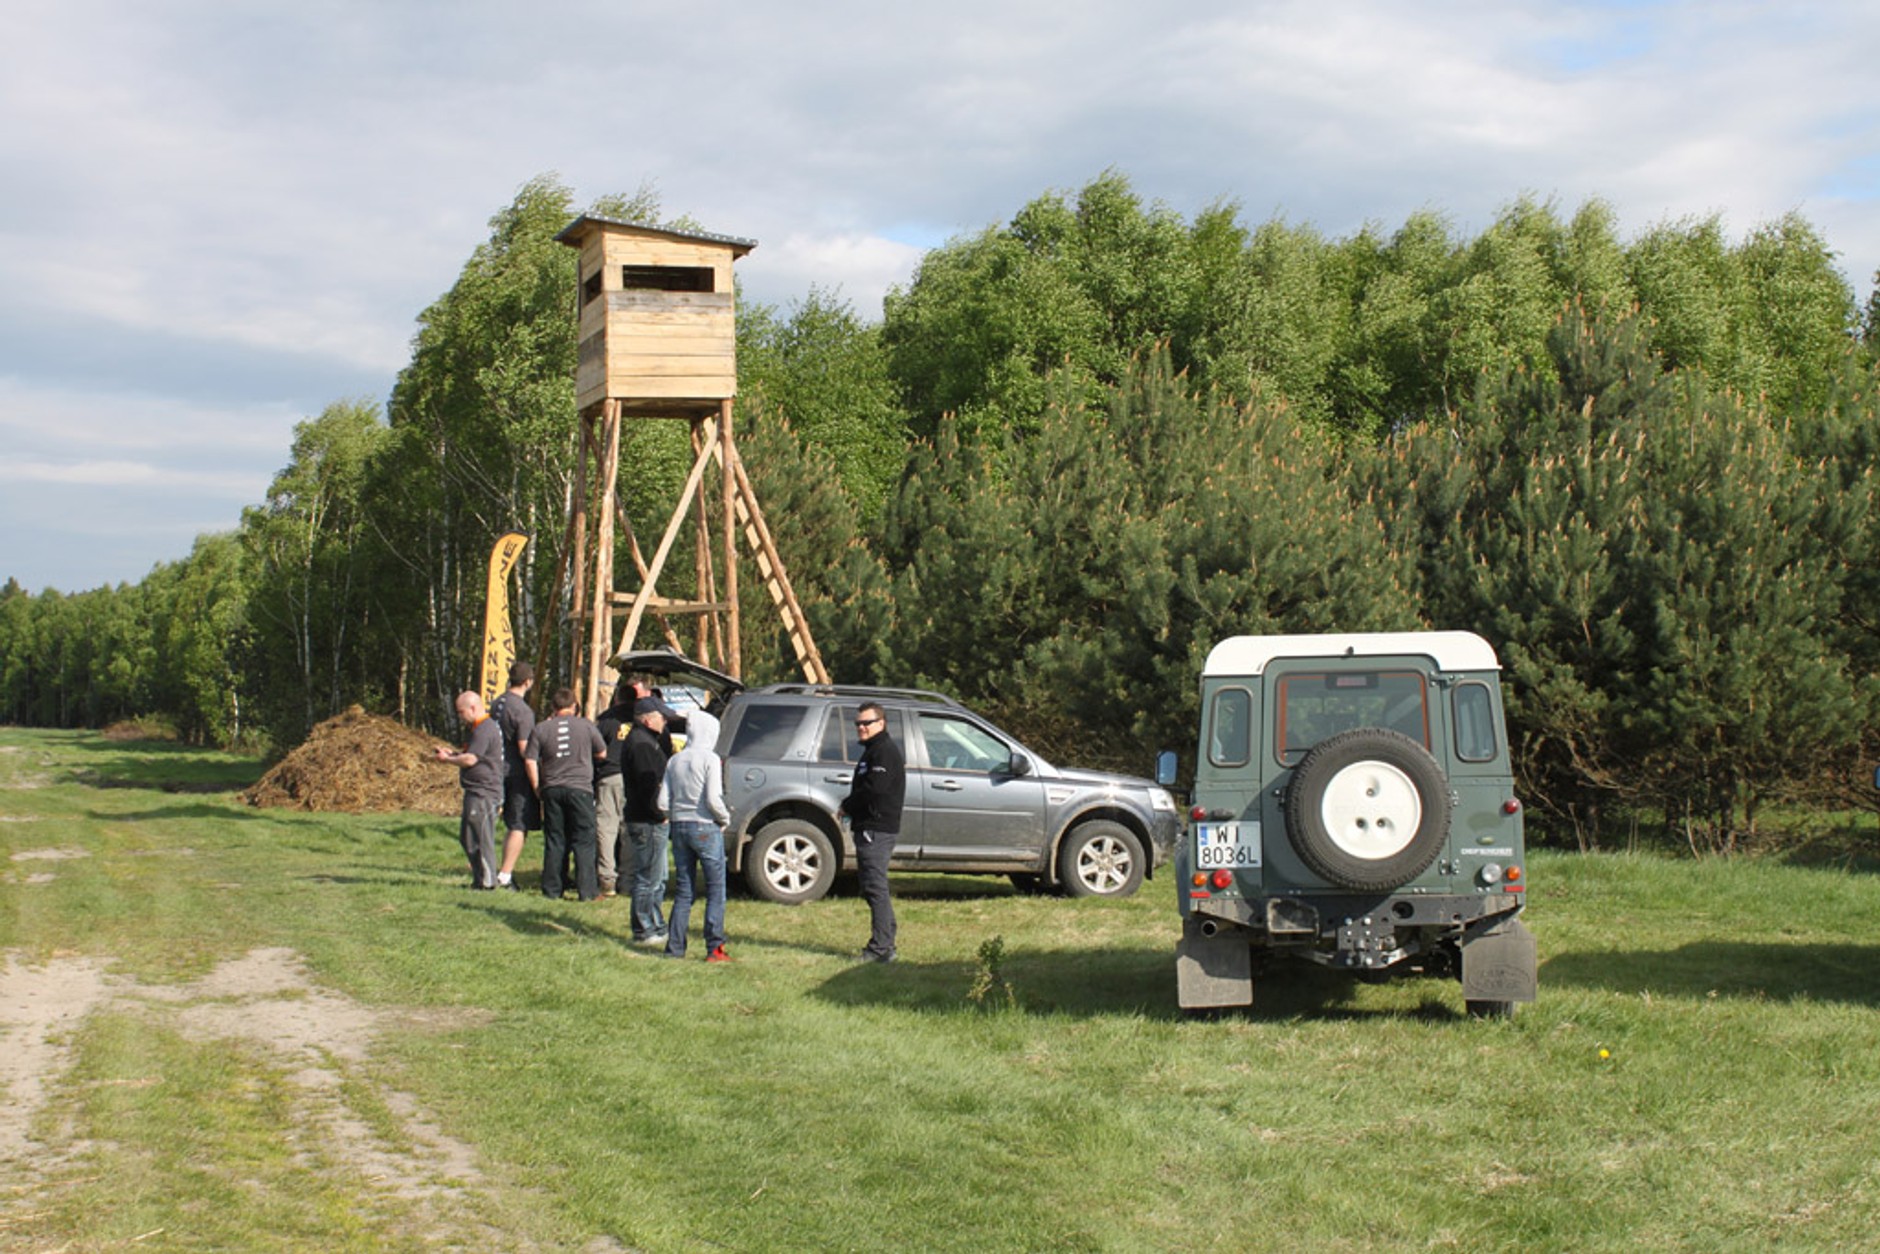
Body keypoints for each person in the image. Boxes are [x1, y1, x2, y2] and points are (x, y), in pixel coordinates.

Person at [656, 707, 729, 962]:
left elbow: (663, 802)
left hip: (679, 827)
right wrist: (724, 818)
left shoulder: (674, 760)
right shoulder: (710, 759)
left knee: (684, 890)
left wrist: (677, 813)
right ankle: (714, 948)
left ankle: (675, 948)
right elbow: (713, 798)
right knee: (715, 888)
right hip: (705, 826)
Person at [525, 686, 608, 901]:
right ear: (574, 707)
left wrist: (537, 786)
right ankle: (587, 891)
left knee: (555, 839)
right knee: (584, 840)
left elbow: (530, 760)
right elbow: (602, 752)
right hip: (580, 788)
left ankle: (552, 889)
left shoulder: (541, 729)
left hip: (552, 788)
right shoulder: (586, 726)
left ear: (553, 707)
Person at [839, 701, 905, 962]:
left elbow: (874, 789)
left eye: (866, 723)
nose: (861, 728)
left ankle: (880, 948)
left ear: (881, 723)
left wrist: (847, 805)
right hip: (869, 826)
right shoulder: (872, 750)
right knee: (872, 886)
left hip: (877, 828)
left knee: (874, 887)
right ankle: (886, 944)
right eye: (858, 724)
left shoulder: (884, 752)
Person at [433, 690, 504, 890]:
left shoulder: (484, 729)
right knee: (468, 837)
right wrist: (454, 753)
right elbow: (472, 755)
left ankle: (488, 882)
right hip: (476, 790)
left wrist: (447, 760)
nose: (460, 716)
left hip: (484, 791)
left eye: (461, 711)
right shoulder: (478, 729)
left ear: (473, 708)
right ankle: (479, 878)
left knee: (481, 837)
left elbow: (471, 759)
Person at [622, 696, 674, 945]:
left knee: (658, 876)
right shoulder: (641, 744)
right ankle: (643, 929)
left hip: (648, 818)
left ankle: (656, 923)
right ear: (646, 719)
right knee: (648, 877)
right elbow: (647, 786)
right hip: (647, 820)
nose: (664, 720)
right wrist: (659, 814)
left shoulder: (647, 740)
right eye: (659, 716)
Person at [489, 662, 539, 891]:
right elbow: (524, 748)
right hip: (515, 773)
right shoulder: (522, 710)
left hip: (493, 768)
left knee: (489, 821)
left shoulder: (496, 703)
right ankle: (505, 874)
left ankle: (486, 869)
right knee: (518, 824)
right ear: (528, 682)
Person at [592, 685, 636, 898]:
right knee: (629, 830)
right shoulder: (641, 717)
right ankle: (628, 881)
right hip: (633, 778)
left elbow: (595, 748)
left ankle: (607, 879)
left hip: (609, 776)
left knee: (606, 828)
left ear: (616, 698)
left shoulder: (607, 719)